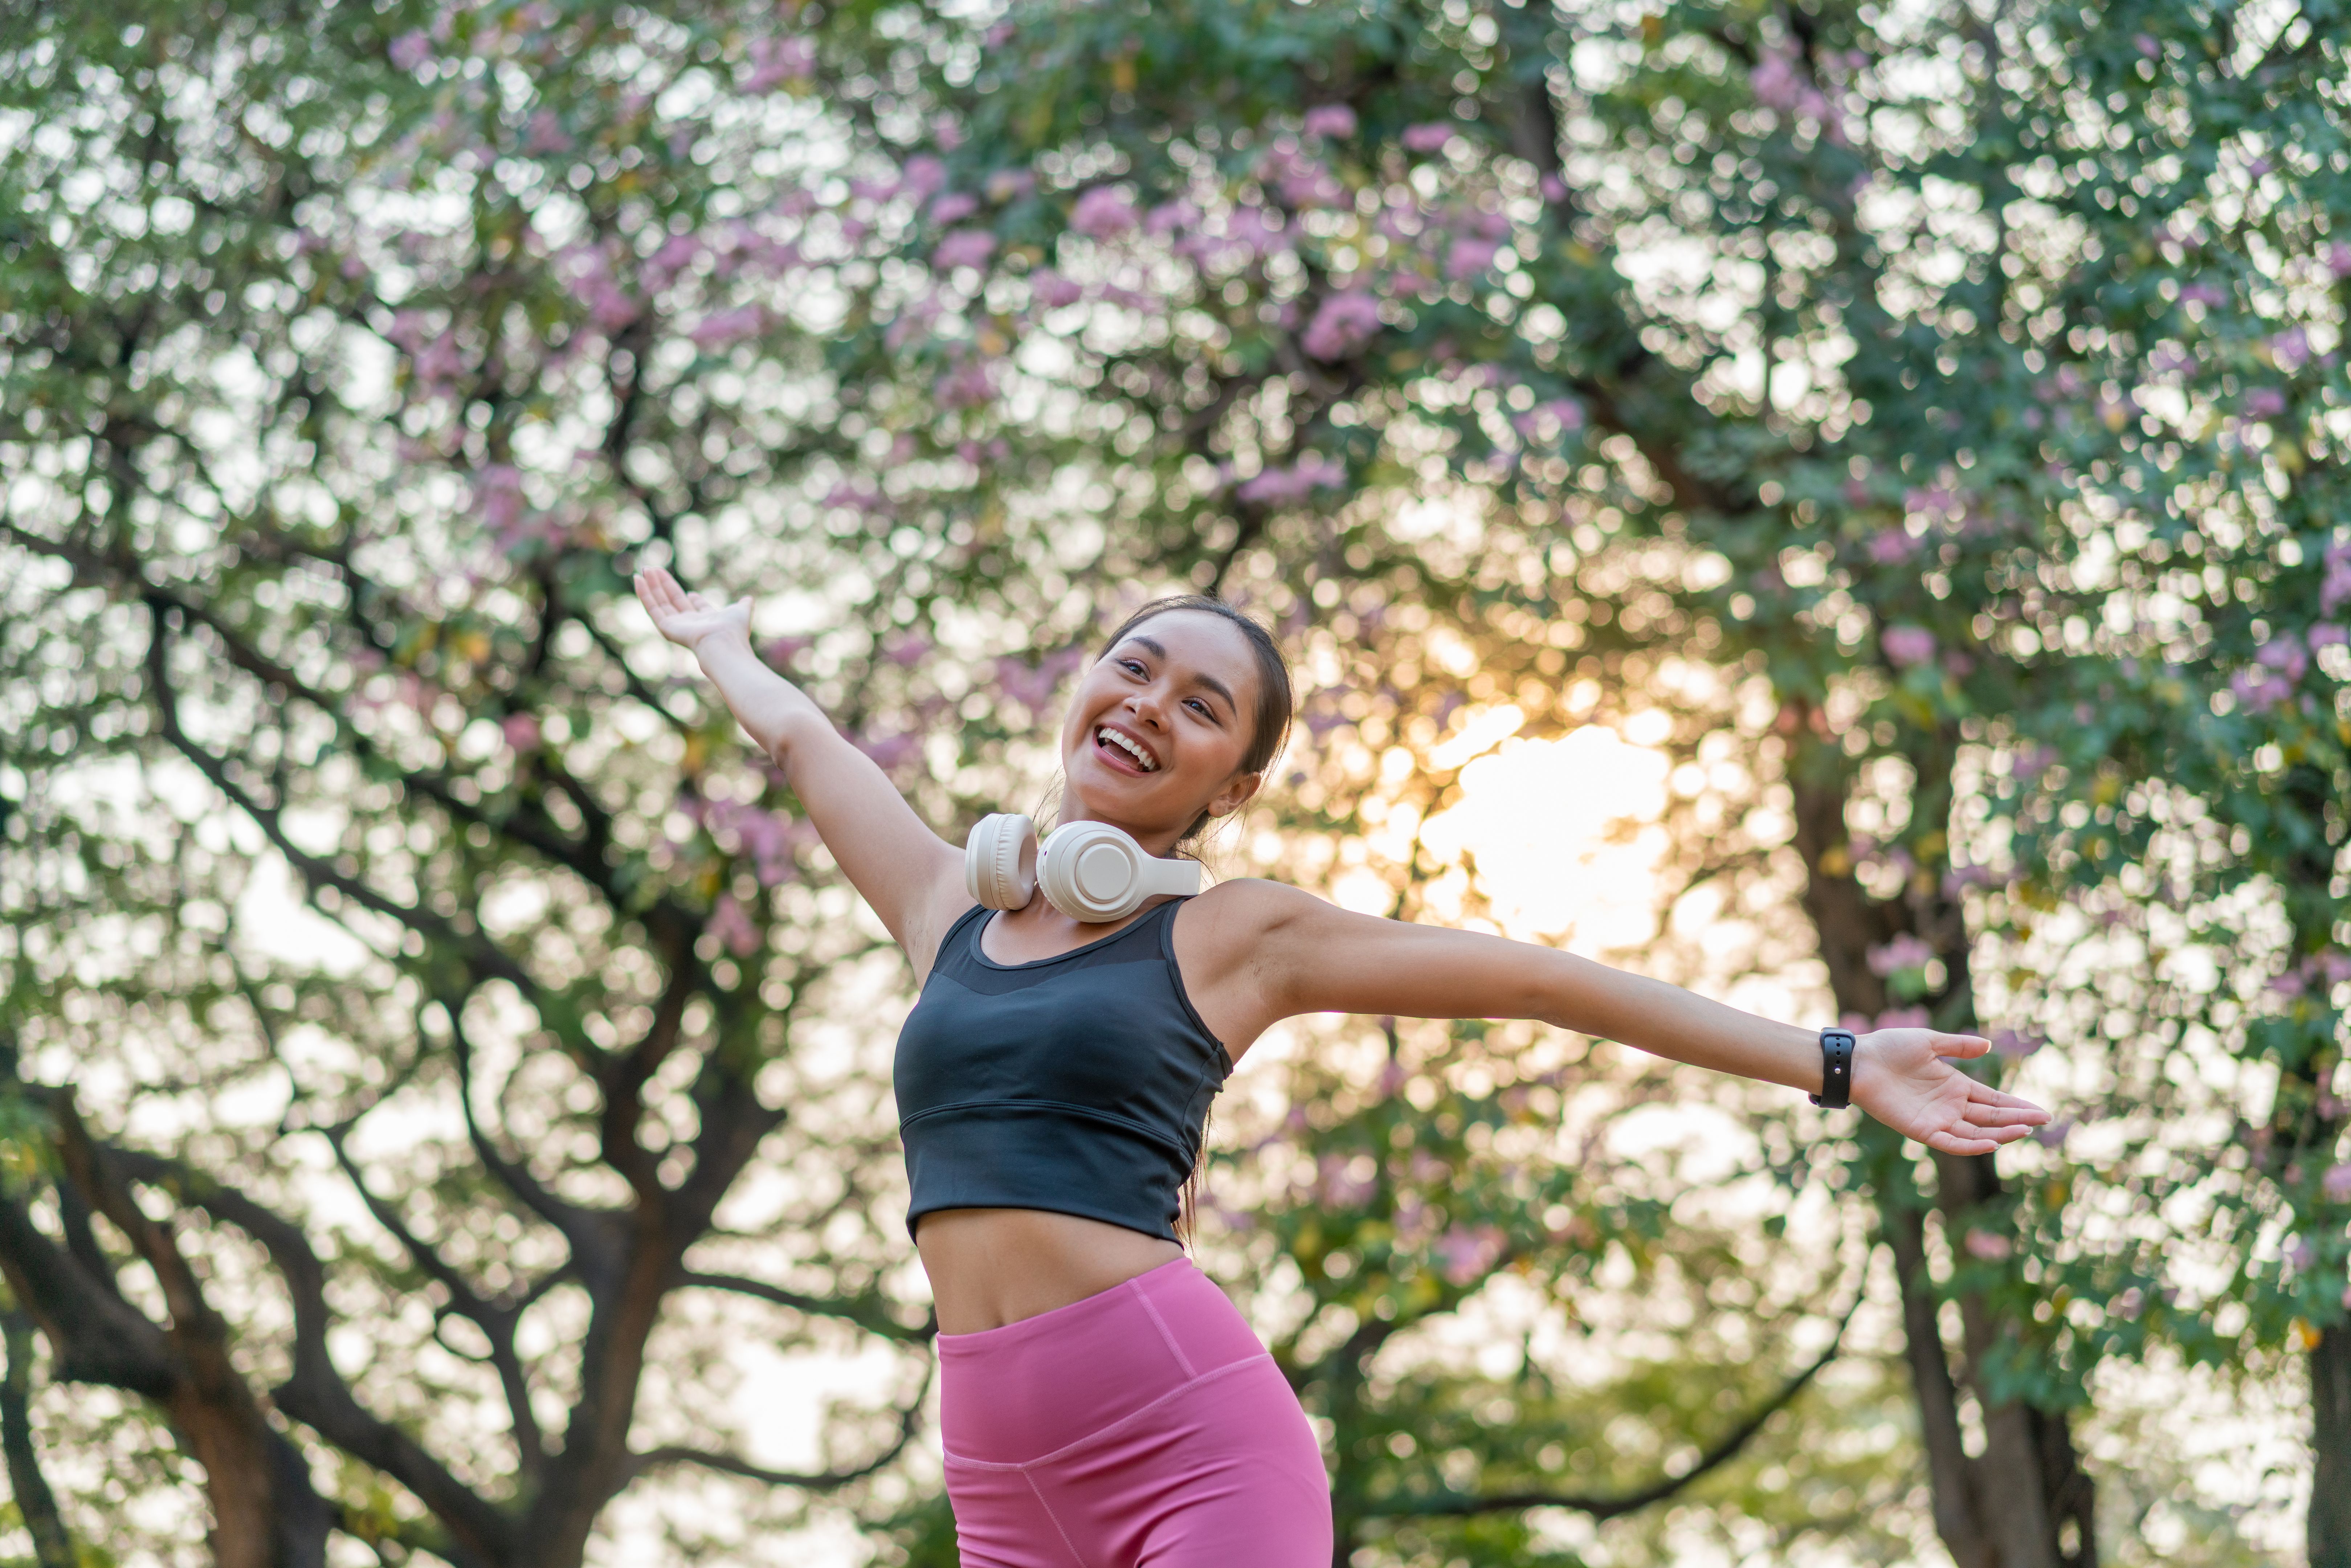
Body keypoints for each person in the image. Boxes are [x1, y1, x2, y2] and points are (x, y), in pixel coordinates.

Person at [634, 568, 2050, 1568]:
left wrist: (1835, 1060)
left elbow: (1539, 982)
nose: (1150, 704)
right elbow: (805, 741)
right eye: (1136, 666)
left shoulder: (1235, 936)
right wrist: (723, 646)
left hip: (1184, 1442)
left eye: (1202, 706)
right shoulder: (949, 904)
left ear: (1233, 786)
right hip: (999, 1474)